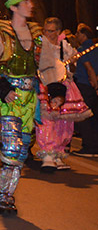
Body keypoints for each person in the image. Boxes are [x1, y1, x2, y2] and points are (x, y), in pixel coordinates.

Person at [0, 0, 63, 215]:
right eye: (25, 2)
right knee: (11, 146)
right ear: (14, 7)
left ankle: (8, 192)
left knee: (22, 150)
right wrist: (2, 89)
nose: (31, 5)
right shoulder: (1, 33)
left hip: (30, 100)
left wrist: (55, 91)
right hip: (8, 99)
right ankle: (4, 196)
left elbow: (47, 66)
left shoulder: (37, 35)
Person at [36, 17, 91, 170]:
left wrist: (70, 62)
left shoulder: (63, 45)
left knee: (65, 122)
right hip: (46, 85)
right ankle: (47, 155)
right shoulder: (40, 45)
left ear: (58, 31)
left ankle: (59, 154)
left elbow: (72, 64)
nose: (47, 34)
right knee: (47, 122)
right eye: (45, 30)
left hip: (63, 85)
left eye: (51, 31)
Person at [72, 24, 98, 157]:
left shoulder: (83, 49)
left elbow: (89, 69)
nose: (76, 36)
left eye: (78, 33)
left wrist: (94, 83)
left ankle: (89, 147)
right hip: (93, 88)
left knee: (84, 116)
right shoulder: (95, 48)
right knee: (94, 117)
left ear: (84, 35)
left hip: (85, 85)